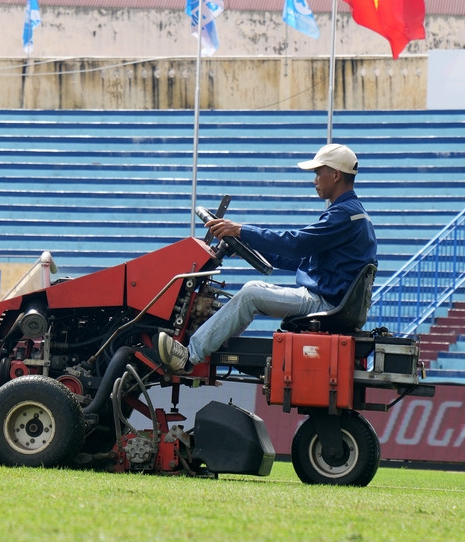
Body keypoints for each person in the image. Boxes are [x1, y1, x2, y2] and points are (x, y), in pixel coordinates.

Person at [158, 143, 377, 373]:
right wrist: (249, 247)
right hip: (331, 300)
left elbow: (296, 244)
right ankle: (216, 342)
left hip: (325, 303)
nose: (314, 180)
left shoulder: (344, 215)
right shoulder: (353, 214)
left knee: (251, 294)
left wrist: (241, 230)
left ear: (335, 175)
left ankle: (189, 356)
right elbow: (302, 261)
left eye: (317, 173)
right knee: (252, 289)